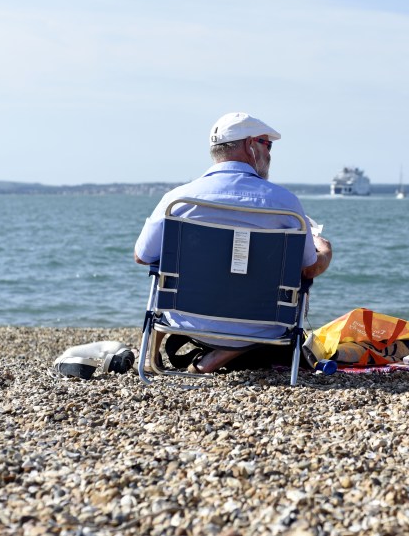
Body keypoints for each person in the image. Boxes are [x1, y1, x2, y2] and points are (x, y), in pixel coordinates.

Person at [134, 112, 333, 372]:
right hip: (263, 326)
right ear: (250, 146)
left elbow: (142, 256)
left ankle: (151, 354)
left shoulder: (178, 201)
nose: (270, 154)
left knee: (164, 261)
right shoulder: (285, 205)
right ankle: (213, 360)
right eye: (267, 144)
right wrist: (325, 250)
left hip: (184, 320)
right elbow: (308, 269)